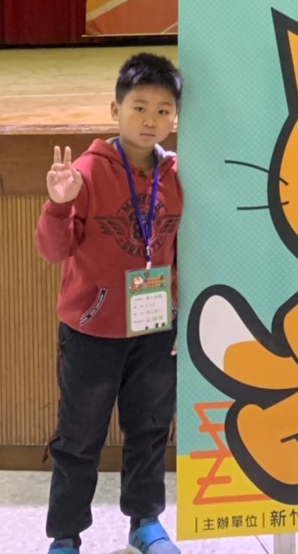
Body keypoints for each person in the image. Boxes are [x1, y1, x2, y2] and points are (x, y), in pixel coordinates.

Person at [36, 52, 185, 554]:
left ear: (175, 117)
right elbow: (53, 251)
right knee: (79, 438)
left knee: (150, 428)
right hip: (91, 331)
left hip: (155, 329)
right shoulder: (85, 172)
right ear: (116, 110)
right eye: (139, 107)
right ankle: (65, 536)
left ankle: (145, 522)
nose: (151, 120)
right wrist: (58, 204)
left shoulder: (177, 174)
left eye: (163, 110)